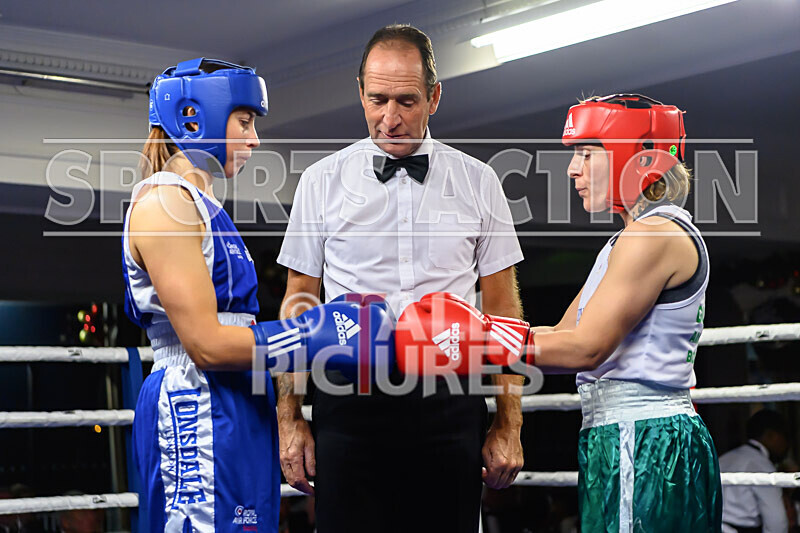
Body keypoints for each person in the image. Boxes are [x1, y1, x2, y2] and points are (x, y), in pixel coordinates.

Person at [395, 94, 722, 531]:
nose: (572, 169)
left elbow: (586, 349)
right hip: (624, 436)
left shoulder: (656, 233)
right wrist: (476, 335)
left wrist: (476, 339)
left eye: (587, 154)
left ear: (638, 158)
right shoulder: (624, 241)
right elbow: (561, 334)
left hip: (646, 441)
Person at [124, 58, 393, 533]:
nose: (254, 139)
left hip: (237, 397)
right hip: (196, 401)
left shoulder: (200, 206)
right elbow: (206, 344)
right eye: (244, 121)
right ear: (194, 117)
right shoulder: (163, 205)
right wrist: (316, 334)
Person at [275, 24, 525, 533]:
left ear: (434, 96)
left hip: (450, 397)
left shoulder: (479, 181)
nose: (389, 119)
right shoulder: (321, 181)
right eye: (377, 100)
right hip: (348, 398)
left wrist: (509, 420)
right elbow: (298, 303)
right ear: (360, 94)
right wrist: (290, 418)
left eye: (406, 101)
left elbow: (503, 309)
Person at [720, 409, 790, 533]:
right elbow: (776, 522)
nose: (786, 444)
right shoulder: (762, 464)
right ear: (771, 435)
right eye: (785, 436)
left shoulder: (724, 458)